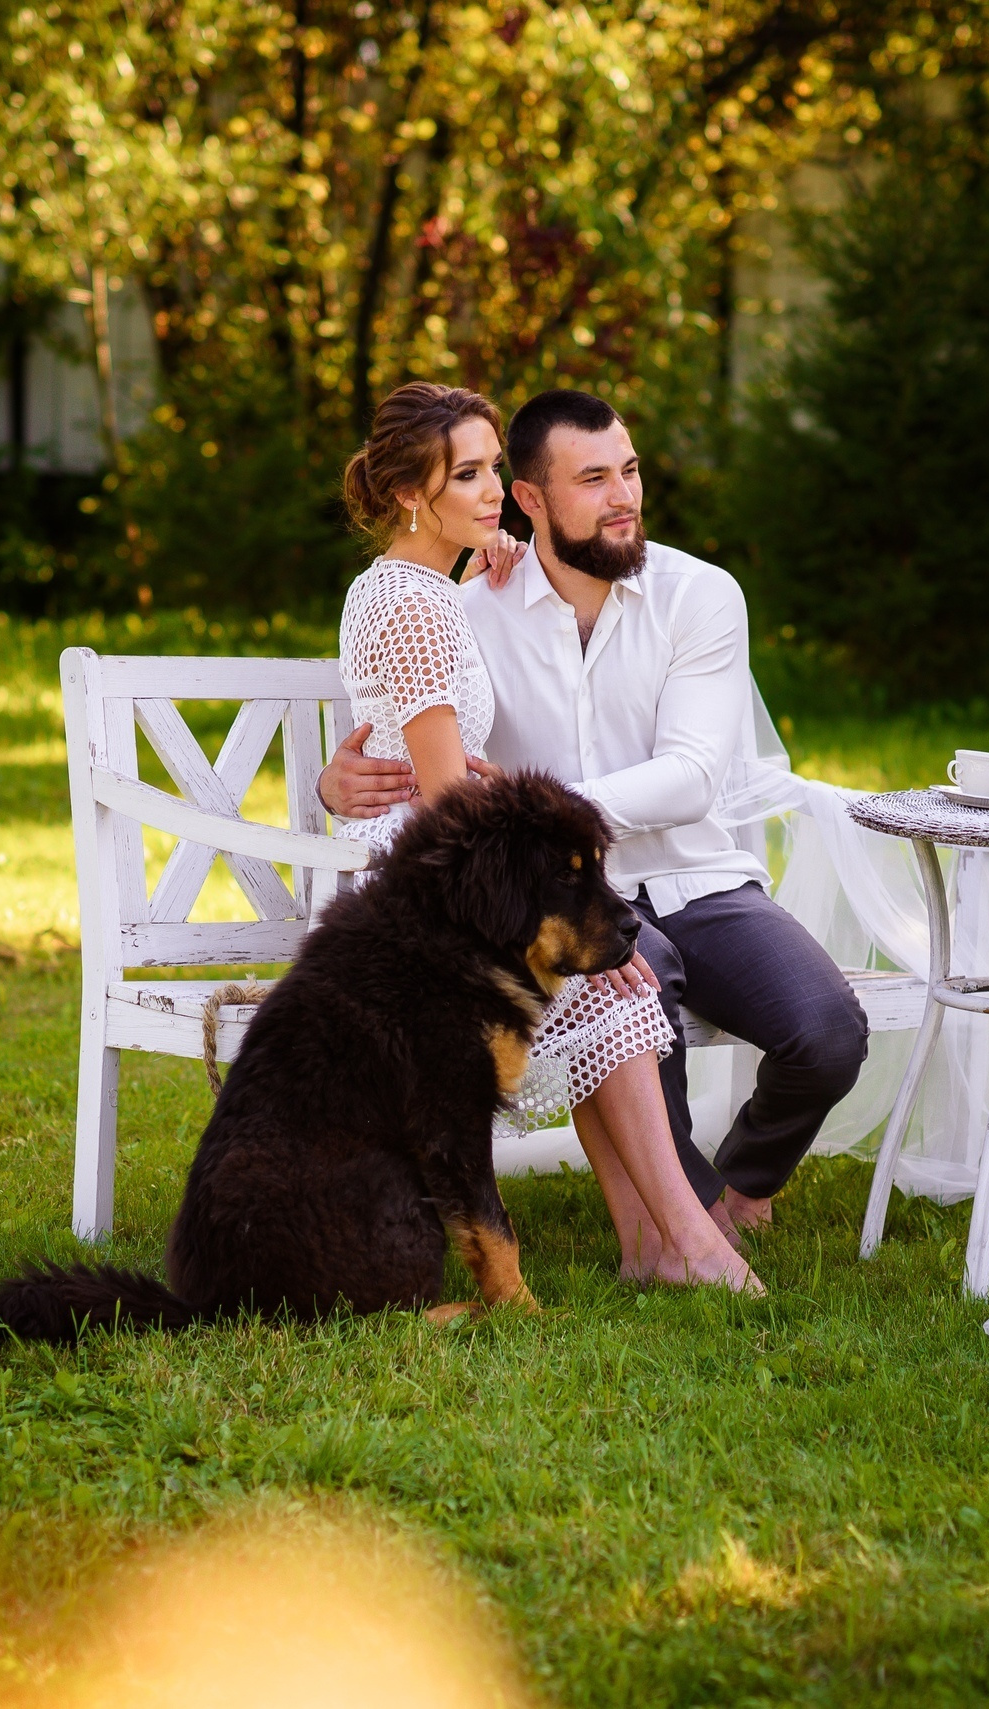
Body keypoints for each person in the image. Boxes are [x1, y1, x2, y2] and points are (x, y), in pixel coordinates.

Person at [323, 388, 868, 1234]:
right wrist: (339, 782)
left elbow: (691, 776)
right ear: (533, 499)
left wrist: (539, 814)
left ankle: (741, 1183)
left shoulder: (701, 595)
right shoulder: (469, 605)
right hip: (573, 895)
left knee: (829, 1032)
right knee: (634, 977)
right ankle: (686, 1215)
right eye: (594, 479)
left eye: (631, 470)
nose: (625, 497)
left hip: (696, 874)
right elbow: (412, 730)